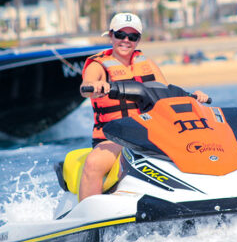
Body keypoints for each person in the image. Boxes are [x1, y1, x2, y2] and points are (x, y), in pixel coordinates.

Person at [79, 12, 209, 201]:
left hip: (149, 135)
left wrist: (194, 97)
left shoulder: (148, 64)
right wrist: (96, 87)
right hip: (114, 138)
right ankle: (86, 218)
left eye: (132, 37)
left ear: (138, 40)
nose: (126, 40)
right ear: (110, 35)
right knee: (94, 163)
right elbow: (85, 86)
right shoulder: (98, 65)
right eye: (120, 35)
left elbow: (167, 96)